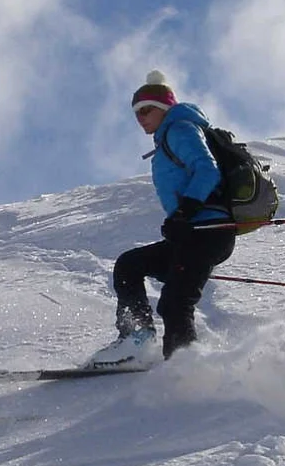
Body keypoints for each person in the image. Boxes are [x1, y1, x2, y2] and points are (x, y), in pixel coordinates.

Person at [91, 71, 238, 365]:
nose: (141, 117)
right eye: (136, 113)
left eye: (146, 109)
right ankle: (137, 338)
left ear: (164, 108)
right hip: (193, 232)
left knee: (175, 303)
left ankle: (185, 369)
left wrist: (186, 211)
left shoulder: (180, 129)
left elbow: (207, 170)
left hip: (208, 230)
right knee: (129, 265)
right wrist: (181, 220)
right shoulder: (168, 140)